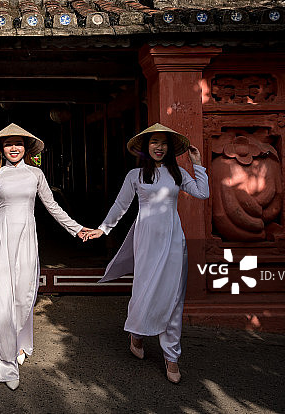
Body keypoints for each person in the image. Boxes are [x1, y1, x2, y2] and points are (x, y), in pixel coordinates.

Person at [0, 123, 90, 391]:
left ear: (26, 148)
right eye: (8, 144)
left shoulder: (35, 174)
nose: (13, 148)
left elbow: (52, 206)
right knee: (2, 300)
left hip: (28, 239)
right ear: (1, 149)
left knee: (24, 296)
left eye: (18, 143)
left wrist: (76, 228)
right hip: (1, 238)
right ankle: (5, 364)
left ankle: (19, 341)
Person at [83, 123, 209, 384]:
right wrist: (103, 229)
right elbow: (121, 205)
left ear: (170, 148)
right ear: (145, 147)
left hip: (174, 240)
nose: (159, 147)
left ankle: (171, 356)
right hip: (146, 239)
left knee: (174, 297)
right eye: (154, 142)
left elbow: (202, 193)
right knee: (143, 289)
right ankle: (137, 333)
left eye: (163, 143)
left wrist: (197, 163)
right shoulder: (135, 175)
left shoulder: (178, 173)